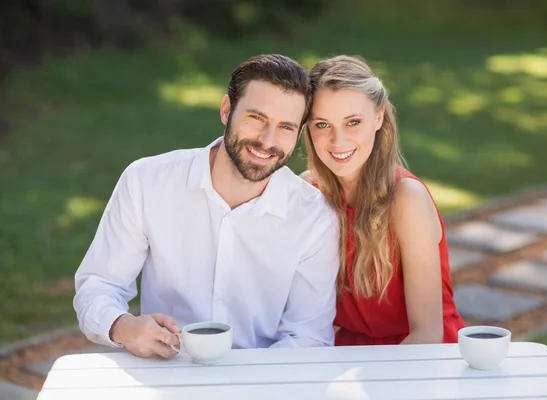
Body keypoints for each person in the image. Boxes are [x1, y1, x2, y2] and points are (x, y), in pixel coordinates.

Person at [73, 54, 340, 359]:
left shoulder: (314, 217)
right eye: (257, 118)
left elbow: (308, 337)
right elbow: (100, 284)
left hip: (262, 382)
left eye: (285, 127)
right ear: (227, 110)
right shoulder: (146, 182)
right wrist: (123, 326)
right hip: (165, 371)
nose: (268, 141)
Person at [300, 55, 465, 346]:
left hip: (421, 356)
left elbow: (427, 333)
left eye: (353, 122)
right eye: (322, 125)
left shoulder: (406, 199)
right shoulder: (307, 192)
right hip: (348, 352)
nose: (339, 141)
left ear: (379, 117)